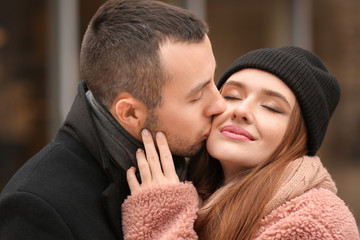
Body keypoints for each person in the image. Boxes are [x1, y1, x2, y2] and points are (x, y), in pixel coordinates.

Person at [0, 0, 226, 239]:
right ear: (129, 113)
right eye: (197, 96)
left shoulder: (207, 163)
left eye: (213, 79)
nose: (220, 103)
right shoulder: (36, 207)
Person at [121, 46, 360, 239]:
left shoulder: (318, 222)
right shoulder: (185, 186)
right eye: (232, 96)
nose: (241, 110)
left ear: (299, 138)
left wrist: (162, 222)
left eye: (271, 107)